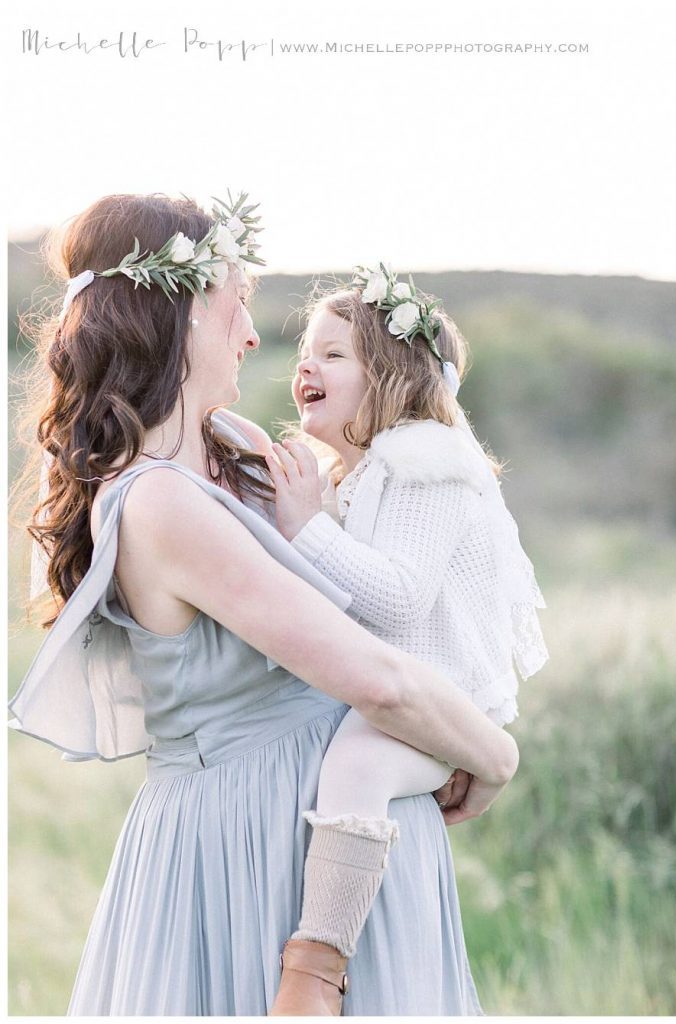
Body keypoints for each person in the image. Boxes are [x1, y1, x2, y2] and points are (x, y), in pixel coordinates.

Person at [9, 193, 518, 1016]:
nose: (251, 332)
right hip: (242, 855)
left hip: (353, 852)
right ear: (177, 312)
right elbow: (375, 680)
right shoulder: (157, 505)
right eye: (237, 301)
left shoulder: (239, 447)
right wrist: (495, 755)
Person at [264, 268, 549, 1013]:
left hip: (443, 698)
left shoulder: (426, 462)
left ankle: (315, 970)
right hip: (399, 691)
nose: (306, 366)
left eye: (332, 354)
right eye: (305, 352)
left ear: (392, 375)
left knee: (357, 761)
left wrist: (305, 525)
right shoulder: (360, 474)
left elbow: (395, 598)